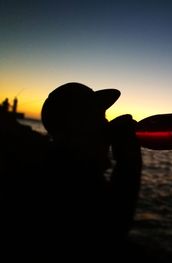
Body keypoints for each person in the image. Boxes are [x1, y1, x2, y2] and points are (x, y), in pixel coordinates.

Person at [2, 82, 142, 257]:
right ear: (73, 126)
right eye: (98, 117)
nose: (106, 125)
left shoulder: (51, 164)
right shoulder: (65, 181)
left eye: (103, 116)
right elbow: (110, 234)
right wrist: (128, 160)